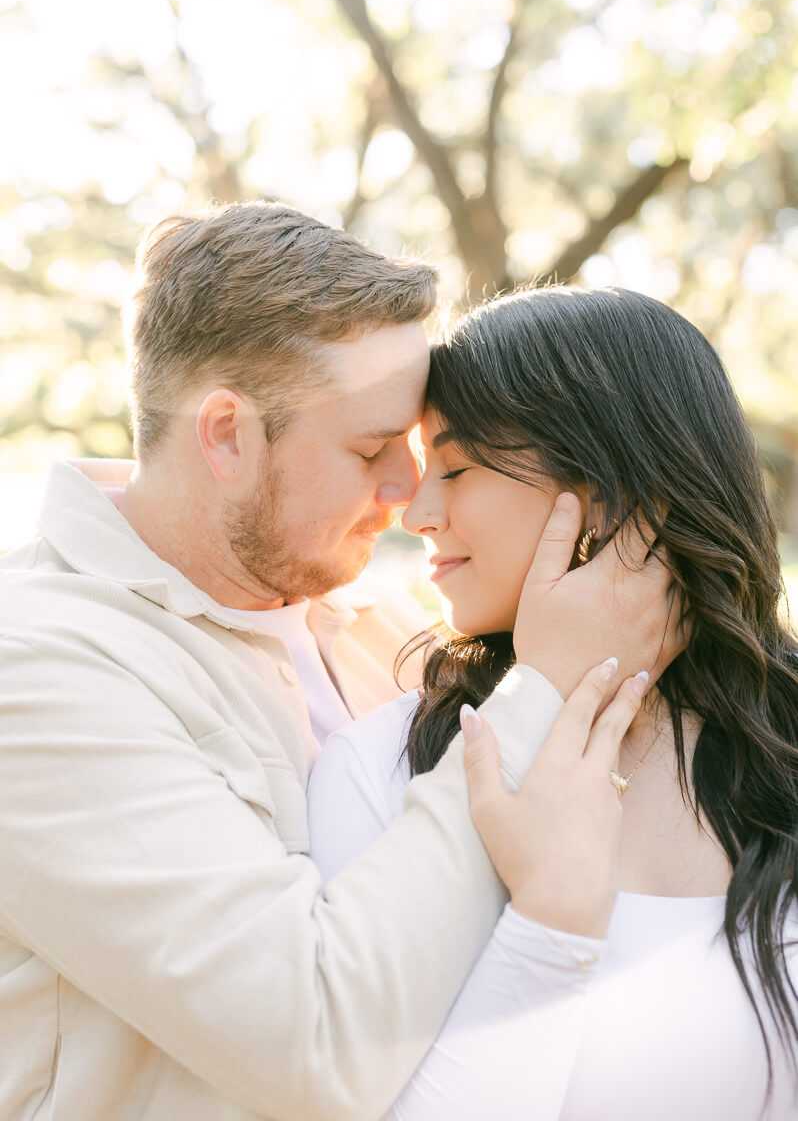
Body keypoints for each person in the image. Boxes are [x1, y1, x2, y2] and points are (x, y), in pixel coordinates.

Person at [0, 204, 677, 1121]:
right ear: (228, 434)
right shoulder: (40, 671)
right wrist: (544, 688)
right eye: (369, 449)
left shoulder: (381, 625)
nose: (408, 493)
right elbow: (314, 1046)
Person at [307, 285, 798, 1121]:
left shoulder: (781, 748)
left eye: (455, 469)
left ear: (606, 492)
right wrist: (550, 922)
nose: (417, 513)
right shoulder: (381, 771)